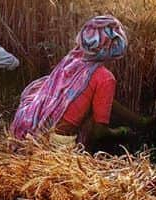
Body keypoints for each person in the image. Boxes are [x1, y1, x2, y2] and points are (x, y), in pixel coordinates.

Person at [11, 14, 148, 150]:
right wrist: (122, 132)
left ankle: (141, 121)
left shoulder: (72, 59)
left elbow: (105, 101)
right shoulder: (105, 78)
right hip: (56, 143)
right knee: (90, 122)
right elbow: (98, 132)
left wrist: (138, 121)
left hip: (31, 128)